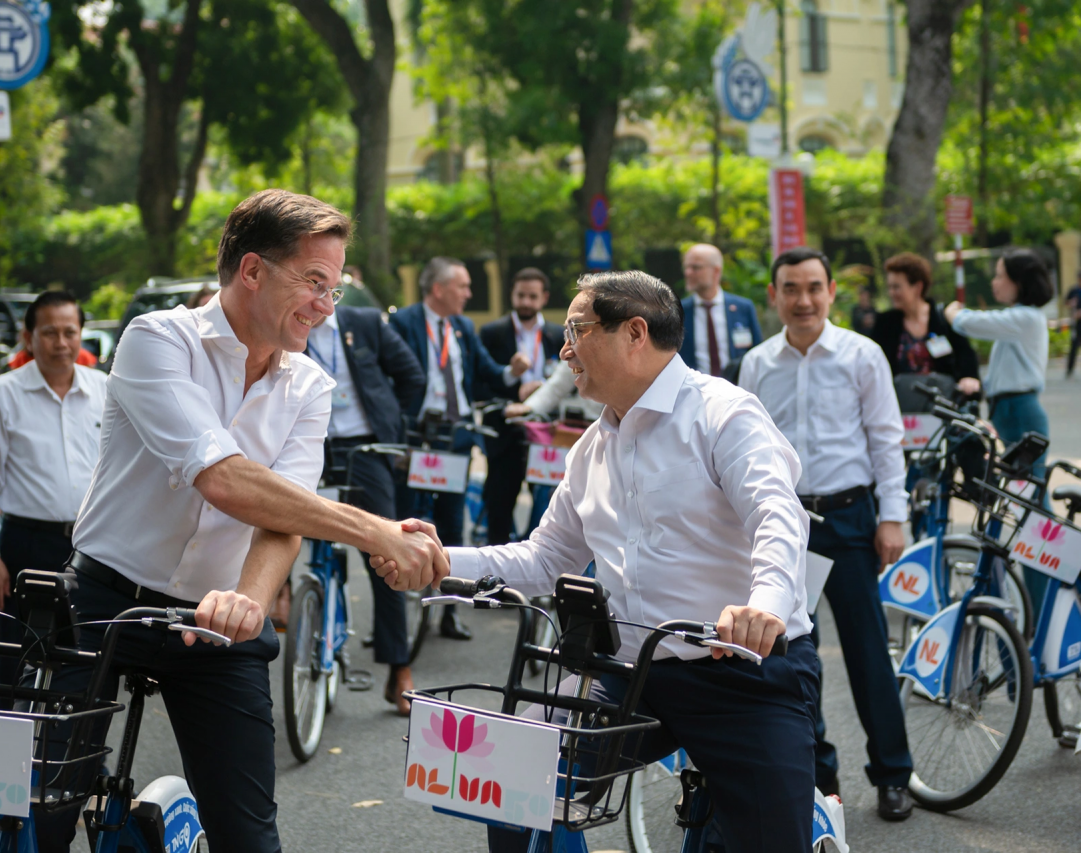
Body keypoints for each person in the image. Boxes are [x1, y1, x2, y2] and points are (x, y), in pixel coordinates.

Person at [40, 189, 444, 853]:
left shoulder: (309, 386)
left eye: (334, 288)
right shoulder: (156, 339)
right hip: (102, 601)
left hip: (214, 621)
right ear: (252, 270)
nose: (325, 304)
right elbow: (223, 478)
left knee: (251, 836)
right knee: (42, 812)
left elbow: (281, 514)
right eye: (314, 281)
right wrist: (371, 528)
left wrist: (250, 602)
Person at [381, 270, 817, 852]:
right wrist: (437, 558)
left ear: (634, 332)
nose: (563, 351)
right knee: (510, 789)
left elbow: (777, 516)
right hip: (629, 678)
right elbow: (544, 557)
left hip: (742, 671)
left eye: (577, 331)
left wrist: (764, 607)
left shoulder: (723, 414)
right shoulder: (592, 447)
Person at [738, 246, 914, 821]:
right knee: (789, 657)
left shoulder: (863, 356)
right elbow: (747, 451)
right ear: (774, 295)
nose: (804, 299)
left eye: (814, 286)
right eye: (791, 288)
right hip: (785, 524)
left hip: (849, 520)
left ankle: (893, 775)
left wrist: (894, 516)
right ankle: (817, 781)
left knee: (867, 653)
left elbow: (886, 440)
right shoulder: (758, 364)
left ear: (832, 291)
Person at [0, 291, 109, 690]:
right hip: (27, 545)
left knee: (89, 659)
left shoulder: (106, 391)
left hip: (93, 548)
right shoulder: (2, 395)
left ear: (81, 335)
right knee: (17, 658)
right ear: (28, 338)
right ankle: (15, 746)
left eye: (69, 332)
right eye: (49, 333)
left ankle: (81, 752)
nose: (61, 343)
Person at [390, 256, 528, 639]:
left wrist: (511, 372)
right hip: (420, 435)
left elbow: (488, 372)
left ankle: (450, 611)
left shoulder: (464, 327)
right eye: (462, 286)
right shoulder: (404, 322)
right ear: (438, 289)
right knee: (411, 520)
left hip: (457, 436)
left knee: (451, 523)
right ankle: (401, 616)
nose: (469, 293)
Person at [304, 302, 426, 714]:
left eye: (324, 289)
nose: (315, 299)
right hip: (310, 447)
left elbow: (412, 376)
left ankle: (399, 668)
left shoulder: (365, 322)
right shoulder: (288, 325)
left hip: (366, 448)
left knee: (385, 552)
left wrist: (394, 426)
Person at [945, 248, 1054, 608]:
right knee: (1027, 513)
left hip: (1021, 414)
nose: (994, 282)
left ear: (1017, 283)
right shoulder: (1020, 319)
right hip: (1010, 411)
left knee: (1032, 516)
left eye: (999, 275)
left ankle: (1053, 600)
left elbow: (970, 324)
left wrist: (954, 311)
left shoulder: (1025, 317)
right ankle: (1046, 603)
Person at [478, 268, 565, 545]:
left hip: (546, 433)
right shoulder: (491, 333)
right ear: (512, 296)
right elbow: (481, 382)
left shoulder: (558, 334)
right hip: (505, 433)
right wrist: (515, 389)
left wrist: (541, 390)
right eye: (521, 295)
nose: (526, 302)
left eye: (532, 296)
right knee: (500, 508)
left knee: (550, 512)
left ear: (544, 298)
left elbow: (568, 382)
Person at [872, 252, 980, 395]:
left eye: (897, 287)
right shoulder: (885, 323)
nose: (891, 293)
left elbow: (965, 355)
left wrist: (969, 379)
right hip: (901, 407)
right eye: (890, 287)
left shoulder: (943, 318)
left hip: (942, 403)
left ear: (917, 287)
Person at [677, 243, 762, 377]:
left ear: (716, 271)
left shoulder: (743, 308)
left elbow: (757, 353)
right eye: (686, 267)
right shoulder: (678, 311)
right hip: (693, 392)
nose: (688, 273)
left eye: (695, 267)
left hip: (736, 389)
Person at [1065, 271, 1081, 379]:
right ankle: (1069, 370)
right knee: (1074, 346)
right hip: (1076, 324)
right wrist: (1070, 303)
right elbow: (1066, 303)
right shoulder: (1074, 290)